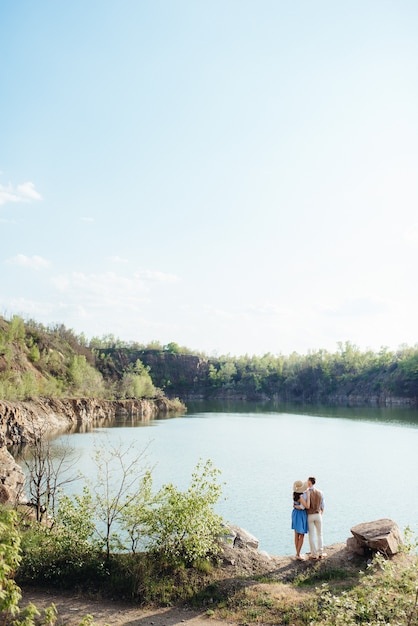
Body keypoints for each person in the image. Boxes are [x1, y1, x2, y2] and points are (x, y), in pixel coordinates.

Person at [306, 476, 326, 560]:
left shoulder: (306, 493)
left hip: (310, 515)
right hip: (318, 515)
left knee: (311, 535)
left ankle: (313, 554)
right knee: (320, 534)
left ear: (309, 482)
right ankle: (320, 553)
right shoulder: (320, 492)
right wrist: (321, 514)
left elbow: (305, 506)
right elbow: (323, 506)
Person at [291, 480, 310, 560]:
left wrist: (296, 506)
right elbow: (307, 506)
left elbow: (294, 505)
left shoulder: (294, 495)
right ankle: (298, 554)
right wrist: (308, 497)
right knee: (302, 535)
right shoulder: (301, 497)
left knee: (296, 534)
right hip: (301, 514)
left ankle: (297, 553)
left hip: (295, 513)